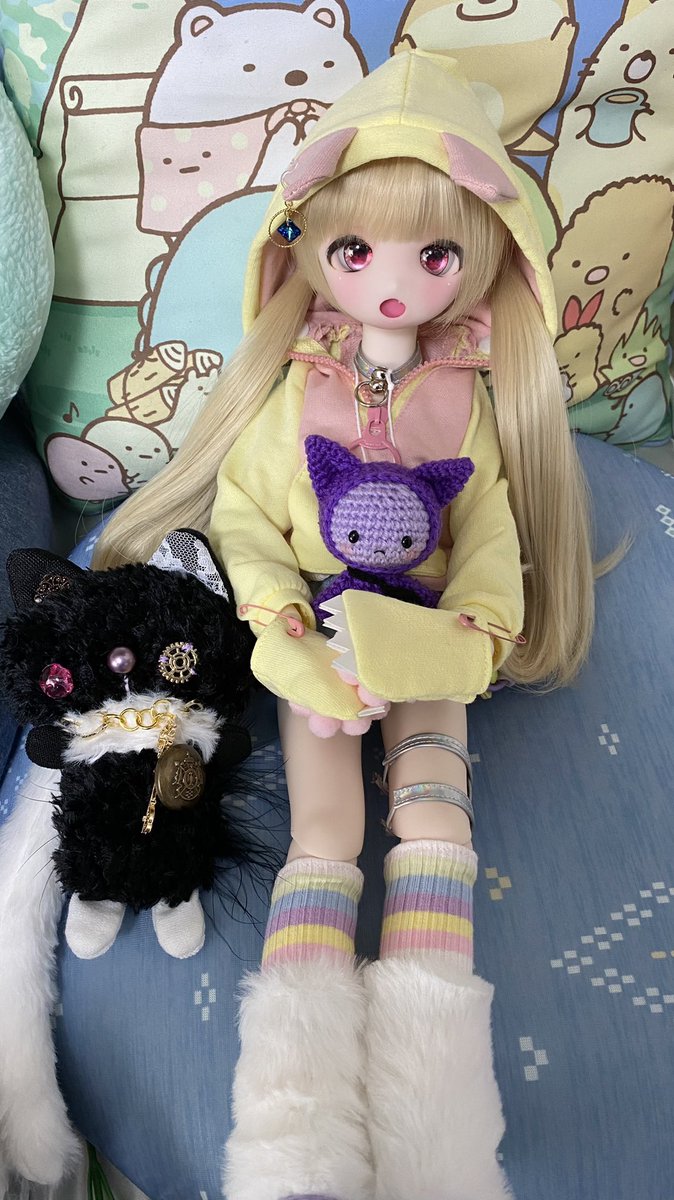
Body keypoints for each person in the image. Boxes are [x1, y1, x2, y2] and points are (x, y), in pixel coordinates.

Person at [95, 51, 594, 1200]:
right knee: (323, 833)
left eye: (435, 257)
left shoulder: (466, 391)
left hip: (430, 635)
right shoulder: (298, 382)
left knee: (432, 814)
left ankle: (435, 1133)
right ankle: (294, 1129)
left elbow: (488, 527)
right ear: (306, 246)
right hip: (313, 635)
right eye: (354, 252)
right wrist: (278, 618)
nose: (391, 286)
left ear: (485, 257)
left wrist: (472, 626)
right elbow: (245, 512)